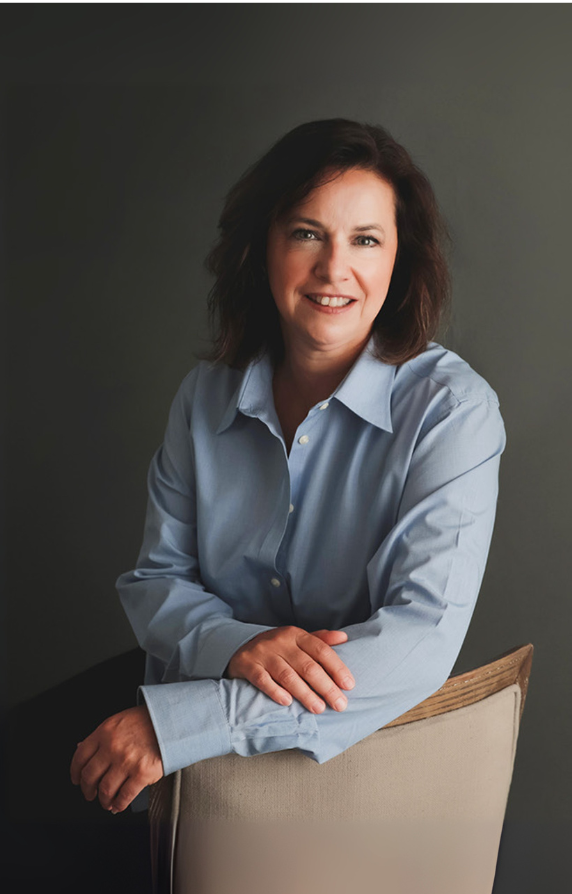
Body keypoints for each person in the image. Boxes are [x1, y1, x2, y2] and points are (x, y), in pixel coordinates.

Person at [70, 119, 505, 816]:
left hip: (340, 756)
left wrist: (181, 723)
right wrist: (240, 647)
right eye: (307, 233)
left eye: (366, 240)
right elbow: (156, 583)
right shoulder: (204, 397)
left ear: (400, 261)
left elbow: (417, 643)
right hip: (178, 716)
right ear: (260, 249)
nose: (335, 270)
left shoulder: (453, 413)